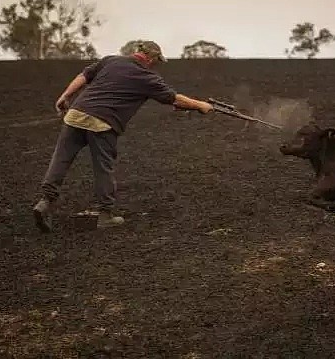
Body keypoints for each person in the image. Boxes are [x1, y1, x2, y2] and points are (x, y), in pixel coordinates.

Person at [32, 40, 213, 232]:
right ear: (151, 59)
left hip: (75, 115)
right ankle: (105, 215)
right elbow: (174, 98)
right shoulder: (147, 77)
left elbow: (84, 76)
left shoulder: (110, 60)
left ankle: (45, 202)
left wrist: (65, 96)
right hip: (102, 123)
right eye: (156, 61)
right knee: (103, 168)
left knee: (61, 160)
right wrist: (201, 105)